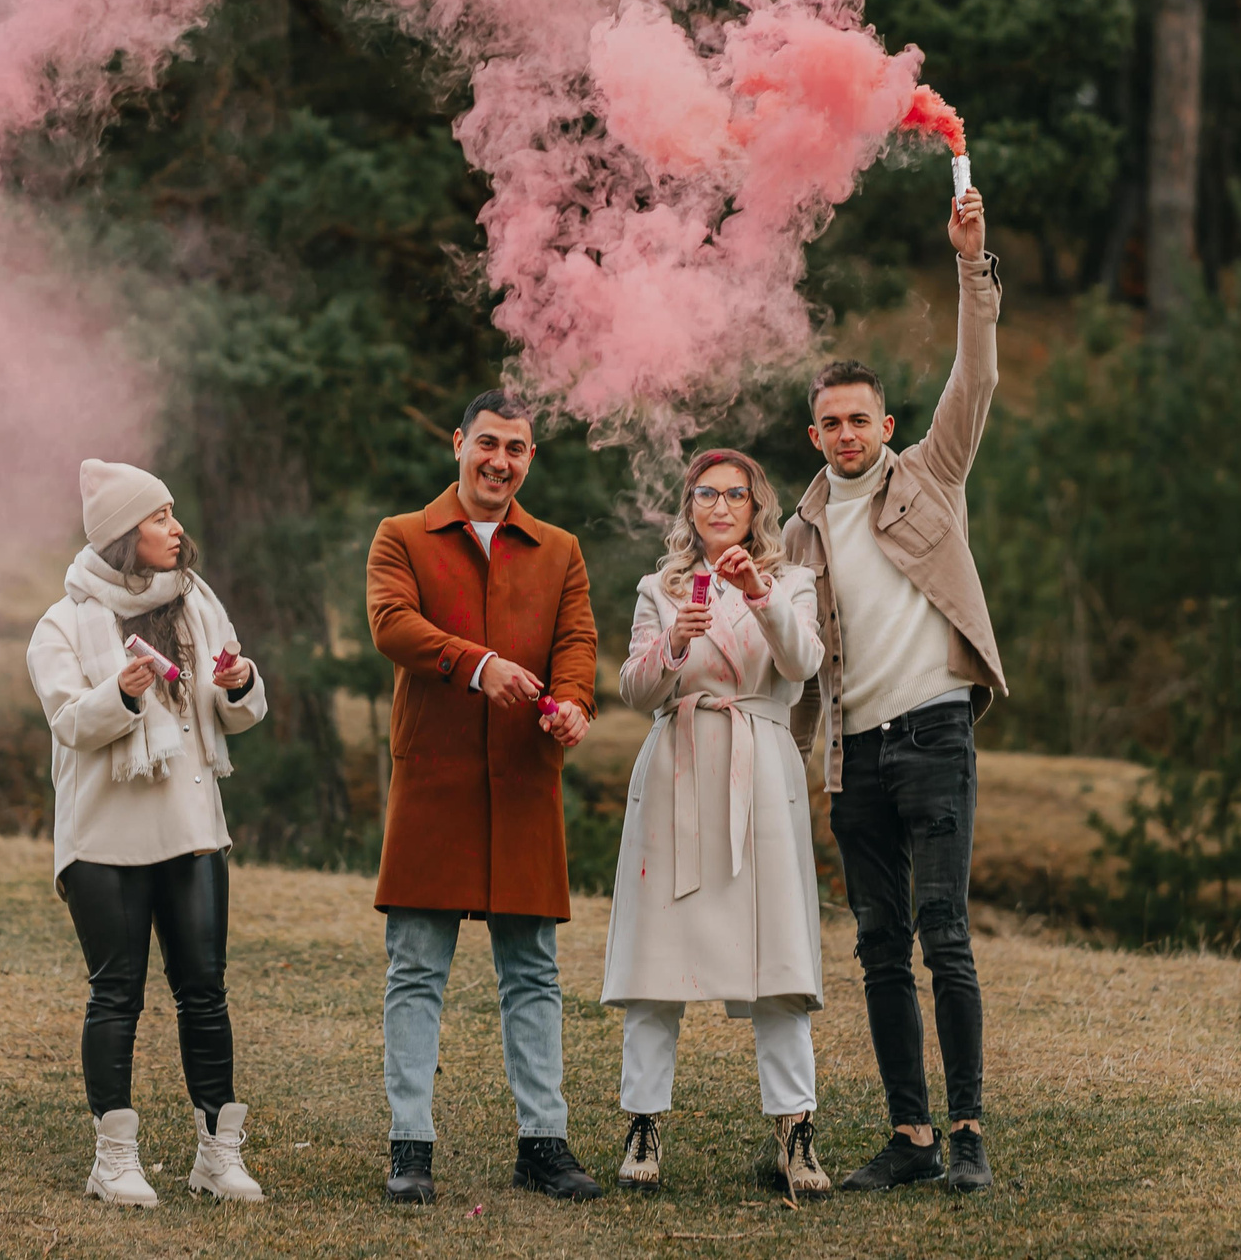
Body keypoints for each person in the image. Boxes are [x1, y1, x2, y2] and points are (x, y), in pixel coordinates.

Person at [784, 183, 1009, 1194]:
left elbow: (979, 369)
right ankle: (908, 1136)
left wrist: (970, 260)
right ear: (813, 435)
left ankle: (966, 1133)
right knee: (879, 945)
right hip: (853, 757)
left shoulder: (933, 473)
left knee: (943, 936)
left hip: (934, 736)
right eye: (829, 422)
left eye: (859, 419)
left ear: (887, 423)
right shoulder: (794, 535)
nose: (846, 435)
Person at [365, 389, 601, 1204]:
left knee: (532, 972)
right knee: (417, 969)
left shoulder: (560, 548)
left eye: (517, 449)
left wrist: (573, 702)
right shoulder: (402, 535)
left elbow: (577, 644)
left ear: (530, 459)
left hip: (525, 783)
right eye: (488, 444)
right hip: (434, 782)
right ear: (459, 444)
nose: (500, 461)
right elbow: (392, 624)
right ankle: (411, 1146)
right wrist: (478, 663)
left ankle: (543, 1142)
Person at [26, 459, 270, 1208]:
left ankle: (216, 1155)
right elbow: (70, 722)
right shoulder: (61, 624)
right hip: (104, 841)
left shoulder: (196, 603)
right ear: (123, 534)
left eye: (172, 513)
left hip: (193, 830)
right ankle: (114, 1159)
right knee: (116, 995)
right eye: (160, 517)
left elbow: (236, 711)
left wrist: (239, 684)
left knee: (204, 991)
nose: (176, 528)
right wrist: (121, 692)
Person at [603, 449, 831, 1196]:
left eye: (736, 494)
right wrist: (673, 642)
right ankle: (642, 1122)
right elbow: (636, 689)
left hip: (758, 769)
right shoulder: (658, 587)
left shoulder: (791, 580)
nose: (722, 505)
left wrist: (757, 595)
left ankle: (795, 1129)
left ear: (756, 504)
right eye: (708, 493)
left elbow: (800, 667)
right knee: (656, 956)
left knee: (776, 957)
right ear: (691, 505)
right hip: (676, 764)